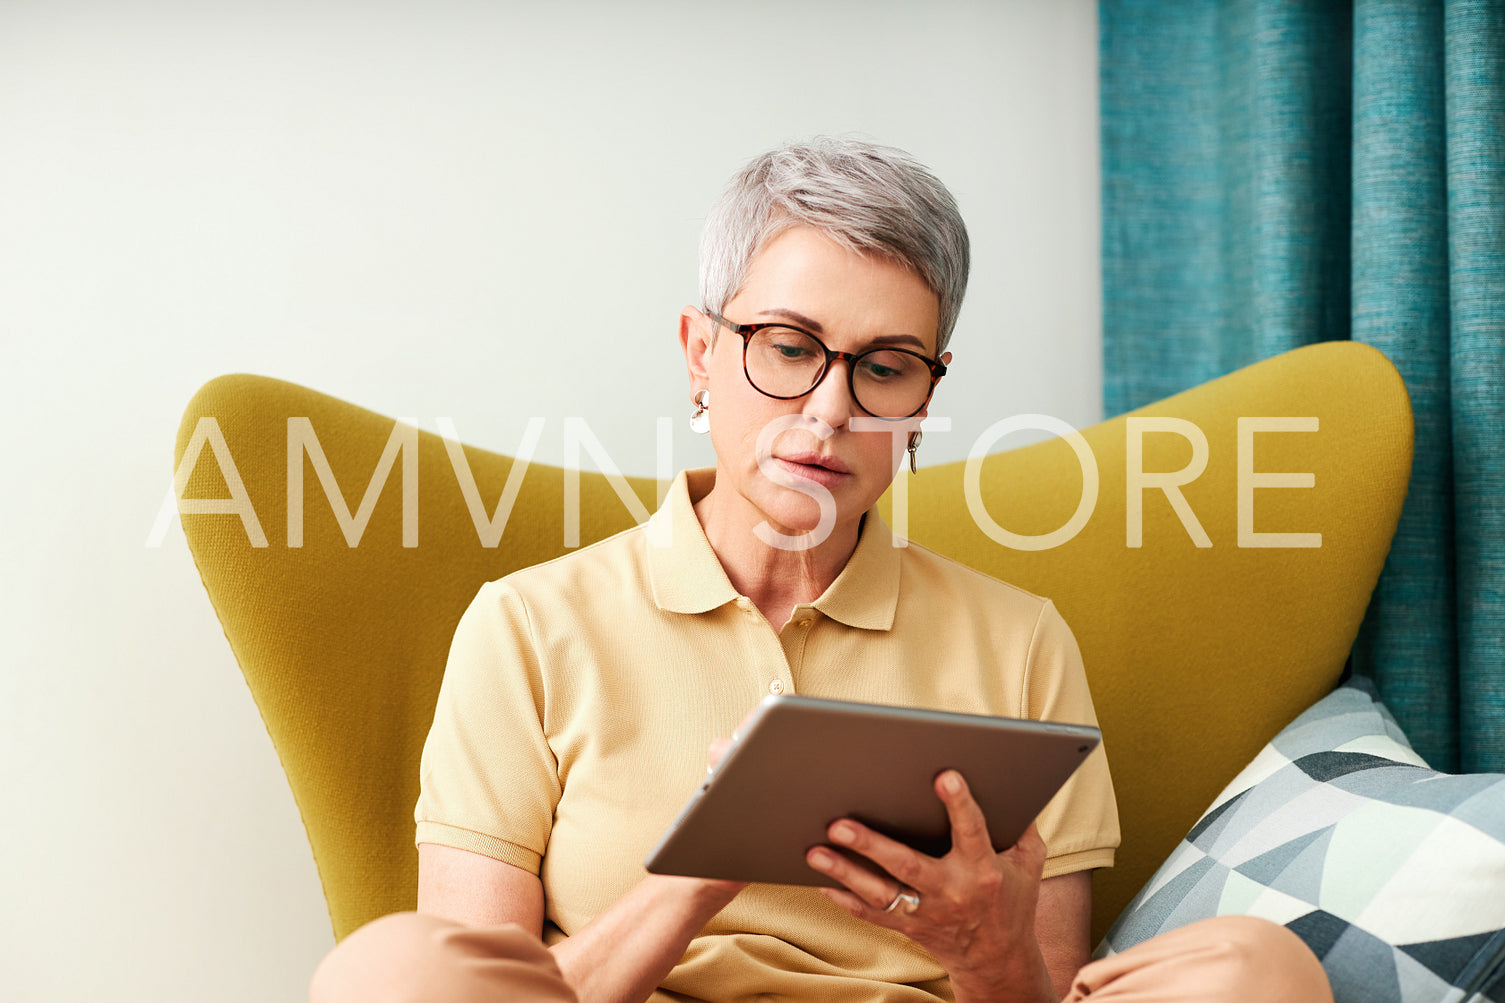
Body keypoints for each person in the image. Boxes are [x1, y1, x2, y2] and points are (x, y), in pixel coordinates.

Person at [310, 138, 1332, 1003]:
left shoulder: (1018, 639)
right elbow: (480, 978)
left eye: (884, 367)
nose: (829, 409)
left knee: (1255, 966)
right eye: (789, 346)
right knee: (394, 968)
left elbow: (1047, 986)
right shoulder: (528, 625)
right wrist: (691, 879)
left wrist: (988, 951)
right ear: (699, 352)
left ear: (923, 399)